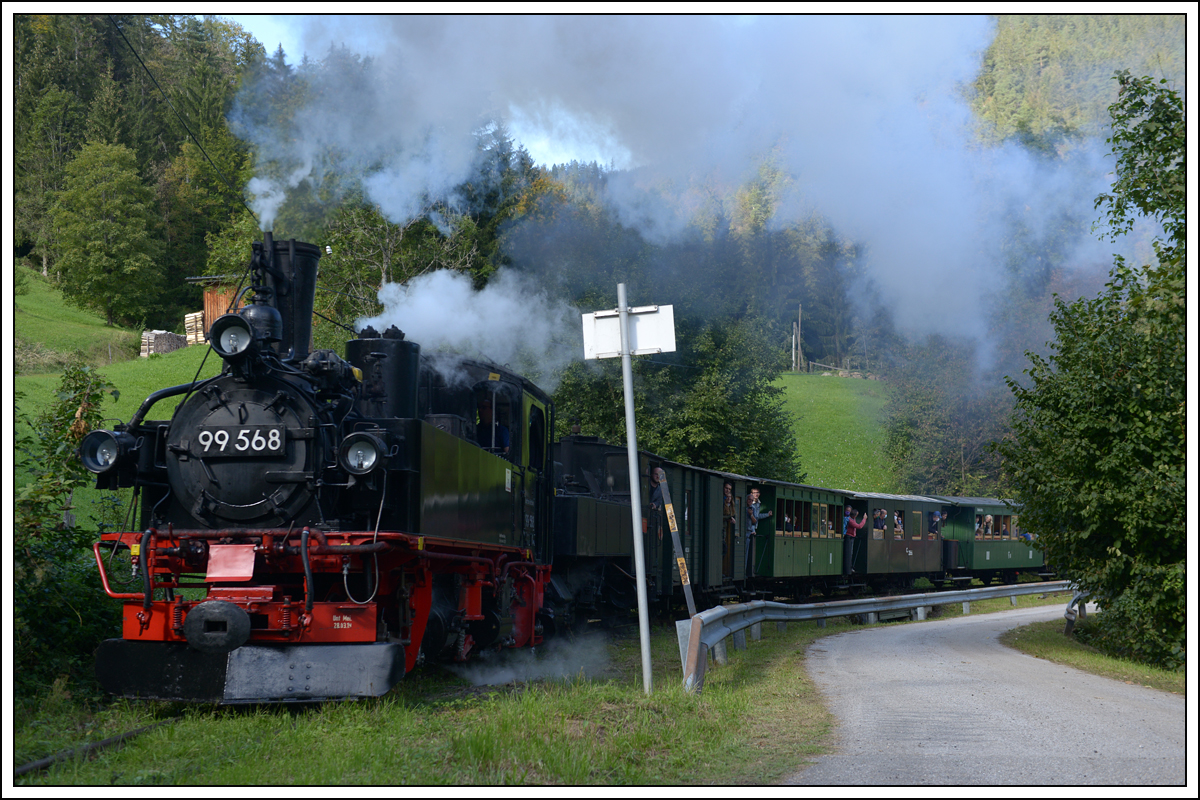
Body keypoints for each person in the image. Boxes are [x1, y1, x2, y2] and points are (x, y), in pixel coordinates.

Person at [745, 487, 772, 577]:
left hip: (753, 529)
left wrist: (767, 515)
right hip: (750, 530)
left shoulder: (758, 504)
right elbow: (752, 519)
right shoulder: (751, 505)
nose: (755, 494)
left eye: (757, 493)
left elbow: (756, 517)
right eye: (753, 493)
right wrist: (752, 529)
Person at [842, 506, 866, 574]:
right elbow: (859, 526)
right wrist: (864, 519)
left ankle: (850, 567)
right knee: (849, 553)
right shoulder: (849, 520)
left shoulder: (852, 519)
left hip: (852, 537)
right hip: (848, 537)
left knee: (851, 553)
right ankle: (848, 569)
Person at [722, 483, 737, 577]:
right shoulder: (721, 502)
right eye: (726, 488)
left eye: (729, 489)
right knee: (723, 549)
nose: (727, 490)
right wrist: (729, 518)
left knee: (724, 549)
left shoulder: (731, 506)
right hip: (721, 528)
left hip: (725, 529)